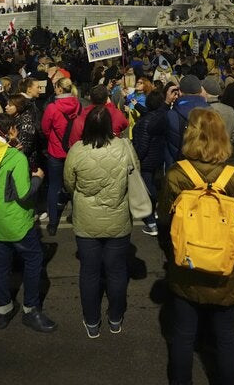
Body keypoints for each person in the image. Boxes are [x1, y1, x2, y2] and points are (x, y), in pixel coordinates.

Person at [158, 109, 234, 385]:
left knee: (181, 335)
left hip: (186, 266)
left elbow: (165, 220)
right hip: (225, 270)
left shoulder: (177, 175)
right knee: (226, 337)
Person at [64, 106, 137, 338]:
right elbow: (135, 175)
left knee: (89, 272)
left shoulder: (76, 150)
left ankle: (92, 321)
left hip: (87, 219)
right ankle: (115, 318)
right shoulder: (124, 147)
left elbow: (69, 183)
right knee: (116, 271)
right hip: (118, 216)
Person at [0, 114, 57, 333]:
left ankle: (3, 310)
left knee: (1, 266)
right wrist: (38, 178)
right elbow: (23, 194)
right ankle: (30, 310)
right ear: (11, 131)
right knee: (34, 260)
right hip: (17, 222)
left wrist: (16, 150)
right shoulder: (16, 158)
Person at [40, 76, 82, 235]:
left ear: (58, 89)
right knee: (75, 186)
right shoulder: (77, 105)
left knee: (54, 186)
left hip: (56, 151)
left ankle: (52, 222)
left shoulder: (52, 107)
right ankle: (77, 216)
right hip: (74, 150)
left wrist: (53, 138)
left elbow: (45, 128)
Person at [131, 90, 167, 236]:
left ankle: (151, 222)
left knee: (146, 191)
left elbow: (143, 144)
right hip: (159, 157)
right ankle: (157, 212)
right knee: (154, 186)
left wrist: (136, 158)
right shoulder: (163, 117)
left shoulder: (146, 121)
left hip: (146, 160)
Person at [164, 74, 211, 169]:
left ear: (179, 92)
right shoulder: (212, 112)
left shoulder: (171, 114)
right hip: (206, 166)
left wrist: (166, 103)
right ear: (201, 91)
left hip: (179, 167)